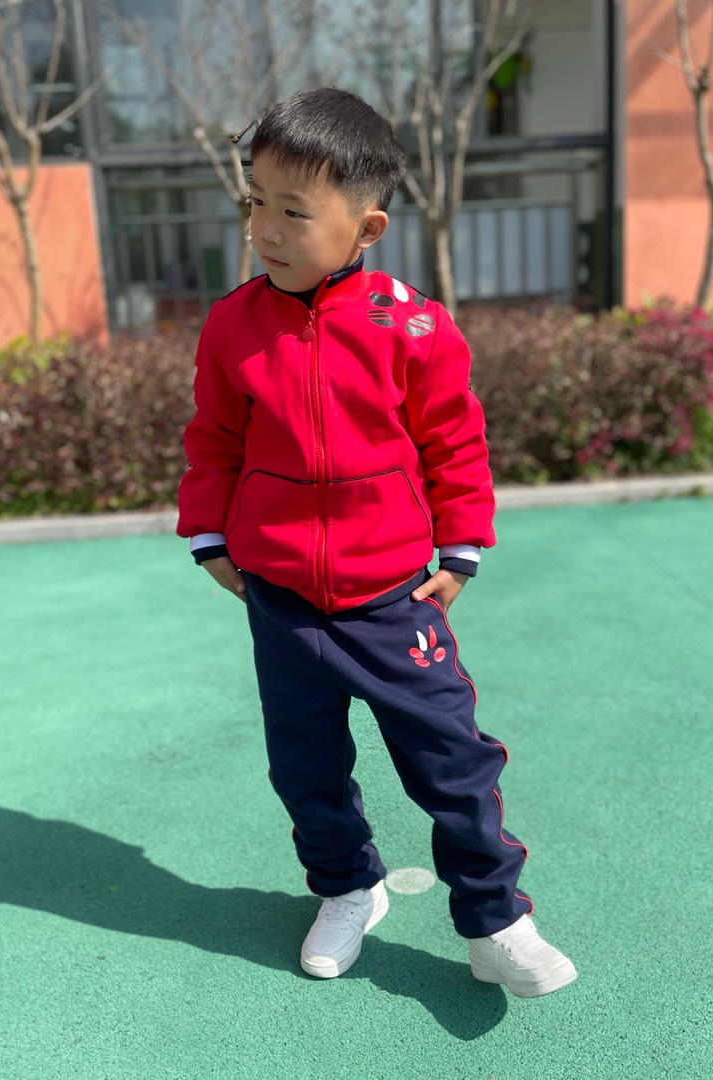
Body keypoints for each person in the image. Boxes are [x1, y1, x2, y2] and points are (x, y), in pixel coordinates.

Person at [177, 88, 576, 998]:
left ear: (366, 228)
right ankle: (348, 887)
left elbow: (454, 440)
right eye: (255, 202)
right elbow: (215, 439)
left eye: (293, 211)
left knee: (453, 760)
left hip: (395, 595)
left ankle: (496, 921)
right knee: (304, 765)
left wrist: (462, 545)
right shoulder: (233, 324)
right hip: (281, 599)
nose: (264, 229)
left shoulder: (415, 324)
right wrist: (209, 535)